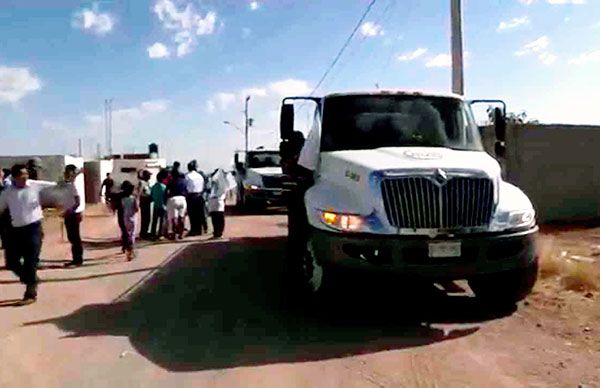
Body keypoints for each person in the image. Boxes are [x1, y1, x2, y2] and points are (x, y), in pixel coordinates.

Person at [0, 164, 56, 304]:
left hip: (34, 229)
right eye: (21, 176)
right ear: (14, 177)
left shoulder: (35, 185)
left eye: (26, 174)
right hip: (16, 231)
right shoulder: (7, 192)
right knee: (11, 262)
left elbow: (56, 186)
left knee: (31, 261)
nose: (25, 178)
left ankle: (30, 294)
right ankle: (31, 280)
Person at [61, 165, 85, 268]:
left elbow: (77, 202)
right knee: (72, 237)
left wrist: (69, 211)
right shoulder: (67, 185)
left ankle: (78, 260)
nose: (66, 174)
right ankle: (76, 259)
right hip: (68, 214)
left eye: (69, 172)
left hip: (73, 215)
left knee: (75, 238)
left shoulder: (72, 186)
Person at [207, 168, 236, 239]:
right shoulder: (219, 180)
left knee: (217, 217)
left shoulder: (219, 180)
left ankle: (218, 233)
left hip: (216, 200)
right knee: (217, 217)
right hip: (216, 200)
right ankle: (217, 233)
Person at [185, 160, 206, 236]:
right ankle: (200, 230)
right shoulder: (200, 176)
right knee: (199, 214)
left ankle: (194, 230)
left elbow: (186, 187)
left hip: (191, 196)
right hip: (199, 195)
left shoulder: (187, 176)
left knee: (192, 214)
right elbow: (203, 186)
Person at [166, 166, 187, 240]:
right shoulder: (184, 181)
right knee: (181, 218)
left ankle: (174, 234)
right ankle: (181, 234)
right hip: (182, 199)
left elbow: (167, 192)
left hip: (173, 199)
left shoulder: (171, 182)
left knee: (174, 218)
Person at [120, 181, 138, 261]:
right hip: (132, 218)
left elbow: (122, 208)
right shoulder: (133, 198)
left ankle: (127, 250)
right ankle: (131, 251)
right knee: (132, 235)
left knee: (127, 234)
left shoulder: (122, 199)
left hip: (125, 218)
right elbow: (136, 209)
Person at [150, 169, 168, 240]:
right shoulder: (164, 187)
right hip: (163, 205)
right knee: (162, 221)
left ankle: (153, 234)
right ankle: (160, 234)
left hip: (156, 205)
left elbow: (151, 195)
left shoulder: (154, 186)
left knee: (154, 221)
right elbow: (166, 196)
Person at [137, 170, 152, 240]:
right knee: (145, 218)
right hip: (144, 201)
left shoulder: (147, 183)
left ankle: (145, 231)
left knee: (148, 218)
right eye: (149, 175)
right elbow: (139, 192)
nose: (150, 176)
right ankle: (143, 233)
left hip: (148, 201)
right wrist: (138, 202)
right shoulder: (142, 183)